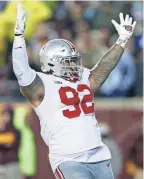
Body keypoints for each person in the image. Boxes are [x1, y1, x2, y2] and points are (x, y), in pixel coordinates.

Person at [12, 3, 136, 179]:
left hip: (98, 155)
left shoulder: (82, 77)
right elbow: (21, 70)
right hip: (68, 159)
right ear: (52, 62)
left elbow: (103, 68)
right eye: (68, 61)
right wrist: (18, 37)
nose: (74, 65)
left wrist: (122, 40)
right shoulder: (41, 84)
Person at [0, 106, 21, 179]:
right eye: (4, 115)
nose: (5, 117)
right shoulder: (1, 131)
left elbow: (12, 145)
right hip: (2, 165)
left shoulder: (16, 131)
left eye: (7, 115)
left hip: (12, 164)